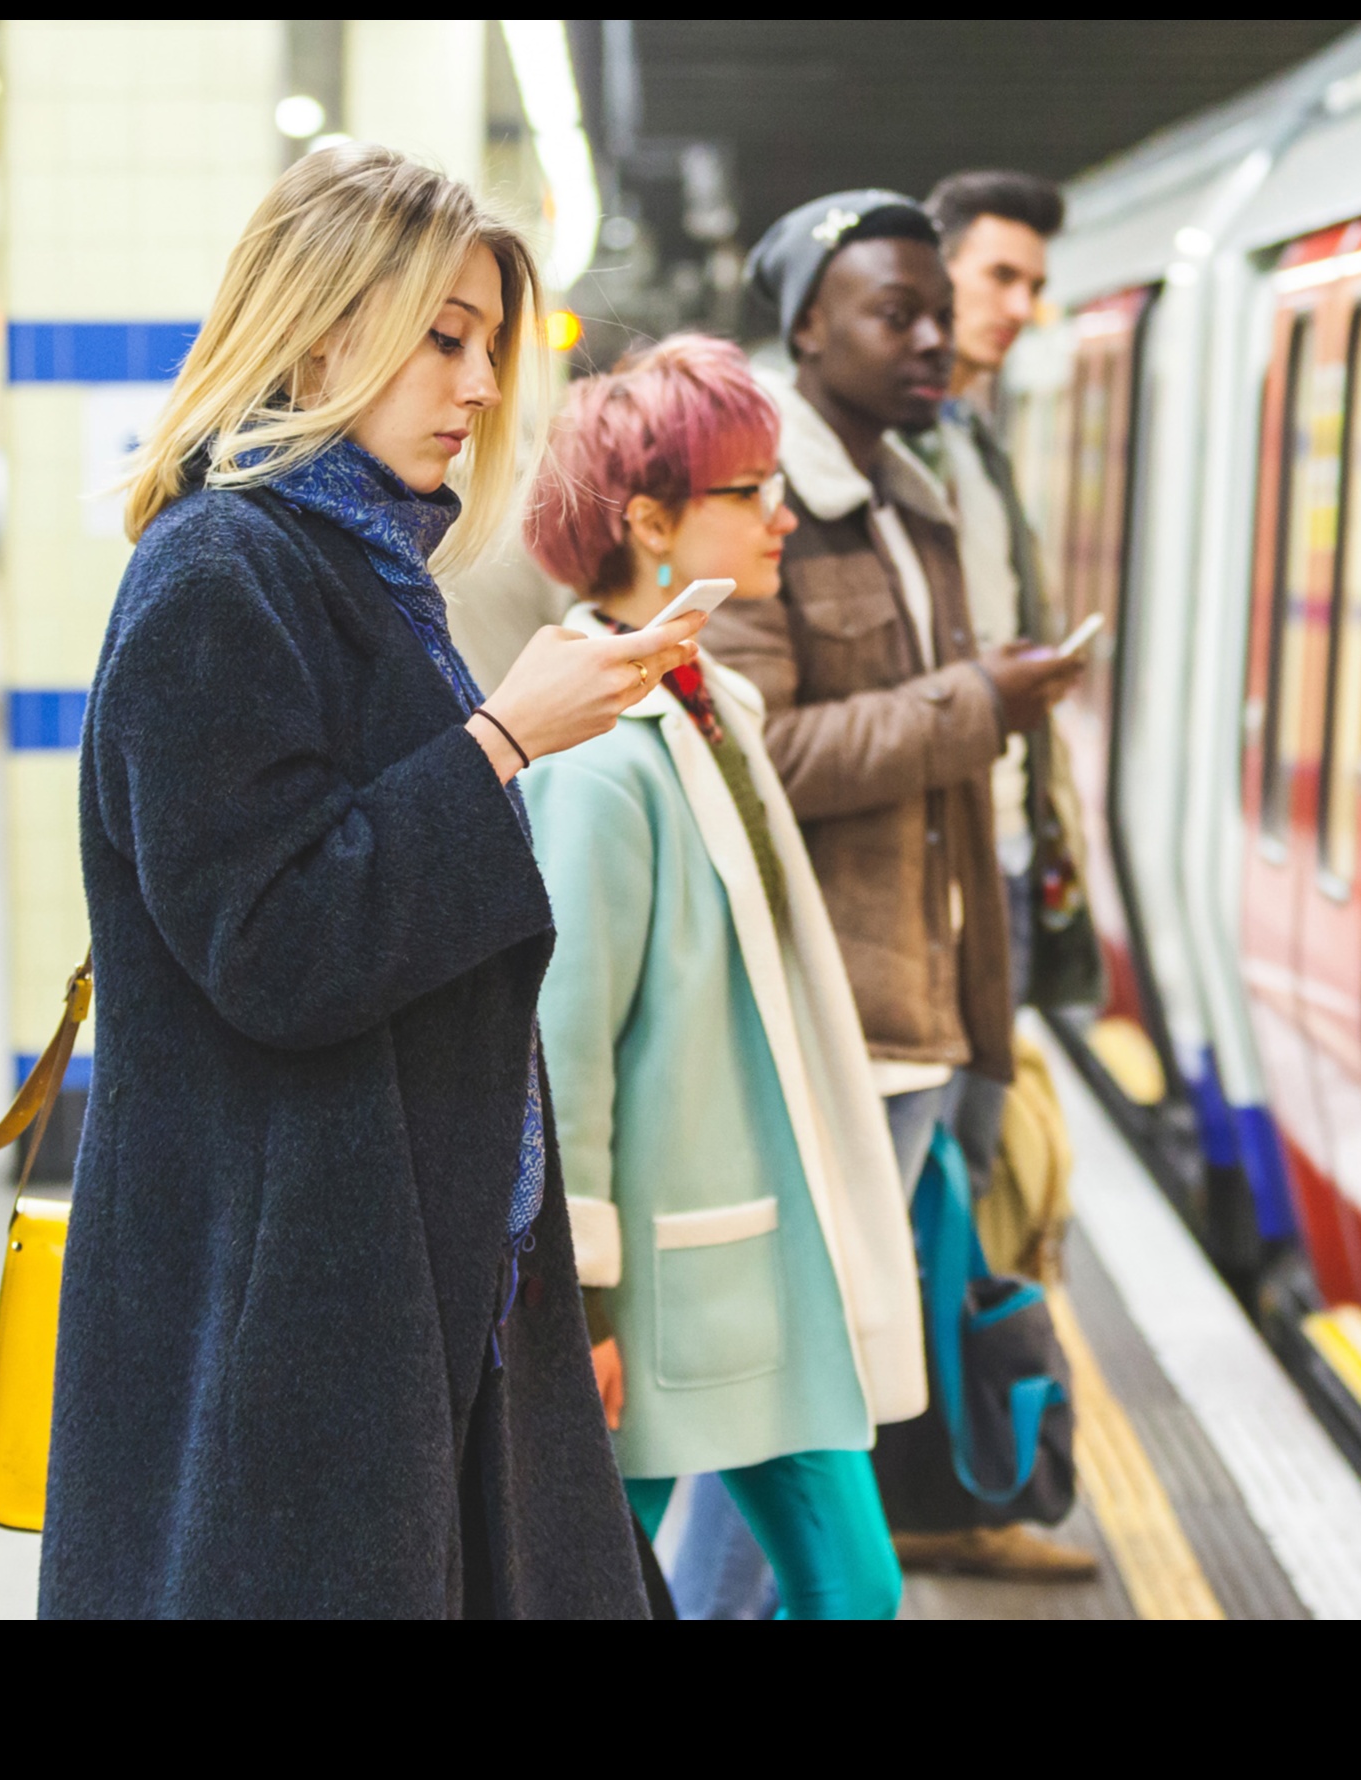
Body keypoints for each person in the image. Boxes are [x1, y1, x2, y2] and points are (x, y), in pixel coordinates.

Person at [45, 143, 703, 1618]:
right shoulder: (217, 575)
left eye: (489, 344)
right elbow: (276, 944)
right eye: (442, 337)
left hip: (398, 1278)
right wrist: (503, 739)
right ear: (321, 332)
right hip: (291, 1315)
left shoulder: (357, 568)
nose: (481, 386)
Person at [708, 189, 1094, 1581]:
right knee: (791, 1396)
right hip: (834, 1020)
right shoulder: (765, 507)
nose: (934, 340)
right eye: (897, 314)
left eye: (940, 313)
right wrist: (975, 703)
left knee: (825, 1390)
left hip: (918, 1007)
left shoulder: (911, 500)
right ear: (809, 326)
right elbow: (759, 750)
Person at [520, 334, 927, 1620]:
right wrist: (581, 1300)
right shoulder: (599, 761)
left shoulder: (706, 699)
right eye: (749, 491)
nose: (781, 515)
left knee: (849, 1584)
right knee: (603, 1585)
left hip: (752, 1260)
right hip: (659, 1287)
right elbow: (565, 1045)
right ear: (649, 523)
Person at [921, 170, 1104, 1027]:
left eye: (1034, 285)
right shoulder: (889, 449)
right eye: (1000, 276)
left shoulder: (975, 442)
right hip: (942, 855)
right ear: (934, 271)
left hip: (1009, 836)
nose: (1023, 307)